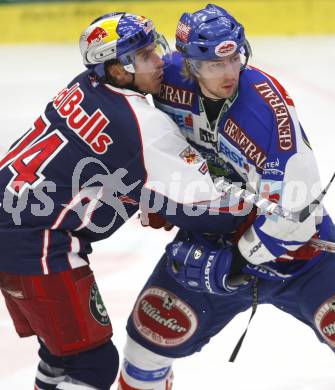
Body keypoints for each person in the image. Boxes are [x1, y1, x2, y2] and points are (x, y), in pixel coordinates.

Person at [0, 11, 246, 390]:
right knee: (91, 365)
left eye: (155, 48)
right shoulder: (141, 122)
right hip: (35, 243)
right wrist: (262, 206)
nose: (160, 60)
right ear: (118, 71)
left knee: (62, 352)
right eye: (146, 56)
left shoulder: (81, 85)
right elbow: (209, 200)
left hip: (15, 220)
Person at [118, 4, 335, 389]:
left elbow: (296, 218)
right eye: (214, 65)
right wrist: (158, 194)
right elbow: (113, 97)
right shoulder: (166, 79)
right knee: (143, 351)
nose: (229, 72)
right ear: (187, 64)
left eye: (235, 58)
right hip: (209, 239)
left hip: (297, 257)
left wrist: (235, 262)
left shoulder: (268, 112)